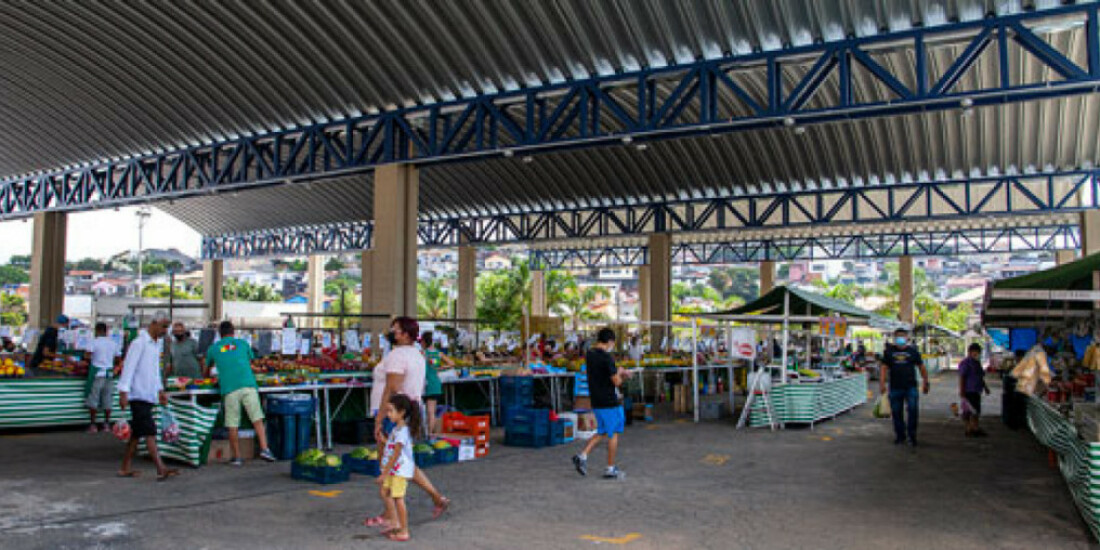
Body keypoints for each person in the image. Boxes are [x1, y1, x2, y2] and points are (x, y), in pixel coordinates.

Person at [366, 317, 450, 525]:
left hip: (393, 414)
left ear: (405, 334)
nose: (392, 333)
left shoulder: (398, 355)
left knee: (387, 463)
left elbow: (392, 388)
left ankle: (391, 516)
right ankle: (436, 498)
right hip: (408, 411)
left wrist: (380, 418)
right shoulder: (417, 354)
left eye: (395, 330)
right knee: (403, 461)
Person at [204, 321, 276, 465]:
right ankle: (264, 448)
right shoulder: (242, 344)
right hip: (248, 384)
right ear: (233, 332)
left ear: (219, 334)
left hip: (230, 388)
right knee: (257, 418)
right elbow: (250, 364)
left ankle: (237, 457)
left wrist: (209, 375)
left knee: (233, 423)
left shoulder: (214, 348)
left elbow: (207, 369)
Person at [116, 312, 177, 481]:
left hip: (148, 394)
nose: (165, 330)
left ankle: (125, 467)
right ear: (154, 323)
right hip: (138, 395)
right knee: (149, 430)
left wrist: (159, 390)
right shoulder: (139, 343)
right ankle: (160, 467)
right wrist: (123, 392)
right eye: (164, 326)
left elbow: (155, 372)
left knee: (137, 433)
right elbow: (128, 368)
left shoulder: (155, 345)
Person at [572, 327, 631, 479]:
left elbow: (603, 372)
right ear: (610, 341)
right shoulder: (607, 358)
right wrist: (621, 373)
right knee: (613, 433)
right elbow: (616, 381)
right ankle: (610, 468)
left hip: (596, 399)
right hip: (609, 401)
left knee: (603, 431)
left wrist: (617, 370)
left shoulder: (590, 355)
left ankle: (583, 456)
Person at [369, 393, 420, 542]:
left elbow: (396, 454)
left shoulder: (402, 431)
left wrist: (384, 473)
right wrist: (384, 440)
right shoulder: (396, 429)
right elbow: (393, 447)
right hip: (393, 469)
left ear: (402, 412)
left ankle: (403, 530)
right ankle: (394, 522)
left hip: (398, 470)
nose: (388, 414)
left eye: (391, 411)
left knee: (398, 498)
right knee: (385, 492)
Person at [879, 327, 930, 447]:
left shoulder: (913, 352)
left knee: (913, 411)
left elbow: (921, 367)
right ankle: (900, 436)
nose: (900, 339)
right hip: (895, 387)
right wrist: (882, 384)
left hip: (910, 387)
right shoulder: (889, 352)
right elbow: (884, 368)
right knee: (896, 413)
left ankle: (912, 436)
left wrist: (926, 382)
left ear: (907, 338)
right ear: (894, 338)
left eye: (903, 336)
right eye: (898, 337)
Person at [85, 322, 120, 433]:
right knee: (107, 398)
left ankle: (93, 425)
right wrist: (115, 368)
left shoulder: (94, 342)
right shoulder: (113, 343)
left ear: (97, 331)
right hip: (109, 374)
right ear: (106, 331)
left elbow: (87, 355)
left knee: (94, 398)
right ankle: (106, 424)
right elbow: (118, 358)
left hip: (98, 374)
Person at [420, 331, 453, 435]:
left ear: (424, 342)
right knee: (431, 412)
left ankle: (428, 434)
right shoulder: (438, 353)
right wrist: (440, 368)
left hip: (423, 384)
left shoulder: (422, 353)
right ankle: (431, 435)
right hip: (435, 383)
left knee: (426, 412)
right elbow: (452, 363)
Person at [958, 343, 991, 437]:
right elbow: (962, 377)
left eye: (978, 352)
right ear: (970, 352)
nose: (977, 354)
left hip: (976, 390)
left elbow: (980, 377)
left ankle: (975, 428)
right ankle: (969, 428)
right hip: (969, 390)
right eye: (975, 352)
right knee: (968, 411)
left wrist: (985, 387)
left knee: (976, 410)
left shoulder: (977, 363)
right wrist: (962, 391)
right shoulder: (965, 363)